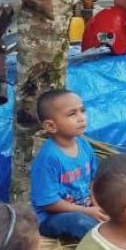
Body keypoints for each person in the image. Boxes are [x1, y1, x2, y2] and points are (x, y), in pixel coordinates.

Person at [30, 89, 107, 241]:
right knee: (78, 222)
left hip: (85, 206)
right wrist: (86, 211)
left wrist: (97, 207)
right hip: (54, 217)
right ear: (51, 126)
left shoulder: (84, 146)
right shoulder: (49, 158)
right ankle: (107, 243)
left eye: (82, 111)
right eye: (72, 114)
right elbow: (49, 203)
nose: (81, 118)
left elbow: (93, 181)